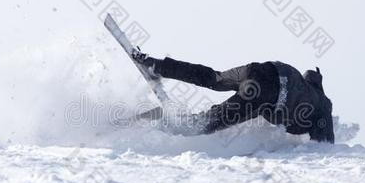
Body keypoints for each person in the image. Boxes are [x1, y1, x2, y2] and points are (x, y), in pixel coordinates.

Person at [131, 49, 335, 143]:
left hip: (259, 69)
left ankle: (156, 65)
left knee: (214, 78)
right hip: (266, 93)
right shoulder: (323, 106)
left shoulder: (307, 85)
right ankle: (165, 118)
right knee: (200, 125)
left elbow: (310, 76)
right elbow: (326, 147)